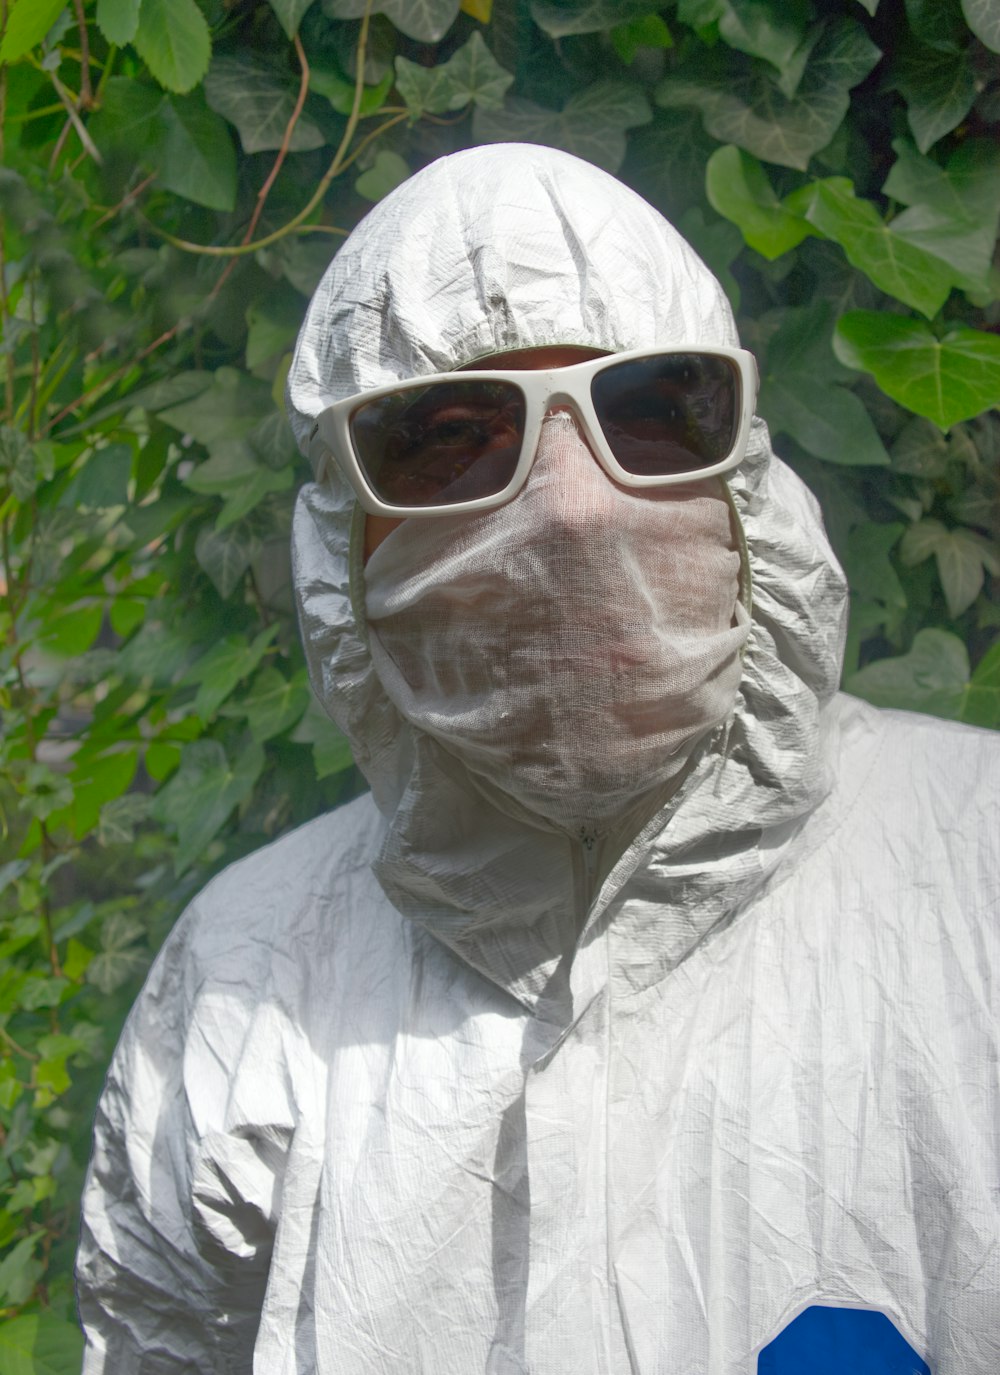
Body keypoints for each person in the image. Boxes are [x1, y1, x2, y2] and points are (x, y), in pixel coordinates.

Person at [77, 144, 1000, 1373]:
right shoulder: (248, 980)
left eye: (648, 411)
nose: (571, 509)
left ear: (748, 474)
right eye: (451, 437)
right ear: (342, 537)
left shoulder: (975, 870)